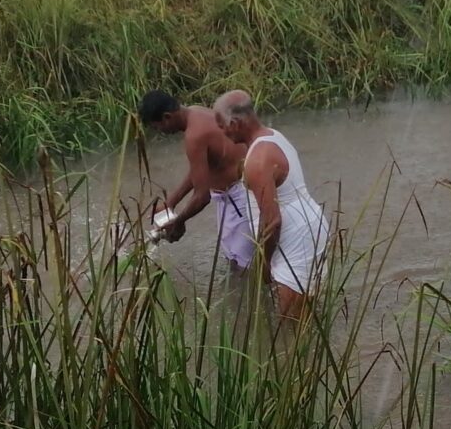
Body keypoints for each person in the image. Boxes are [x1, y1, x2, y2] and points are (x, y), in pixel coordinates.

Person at [212, 90, 330, 320]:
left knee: (291, 327)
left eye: (221, 125)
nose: (221, 132)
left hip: (295, 239)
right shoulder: (274, 136)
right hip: (310, 225)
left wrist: (263, 264)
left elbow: (273, 222)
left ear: (235, 123)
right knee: (308, 319)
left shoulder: (257, 160)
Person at [138, 89, 253, 270]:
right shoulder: (196, 112)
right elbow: (201, 169)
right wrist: (172, 202)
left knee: (241, 267)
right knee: (241, 259)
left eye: (157, 127)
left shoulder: (194, 136)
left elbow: (202, 196)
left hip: (239, 201)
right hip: (243, 190)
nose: (160, 132)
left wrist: (179, 221)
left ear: (167, 117)